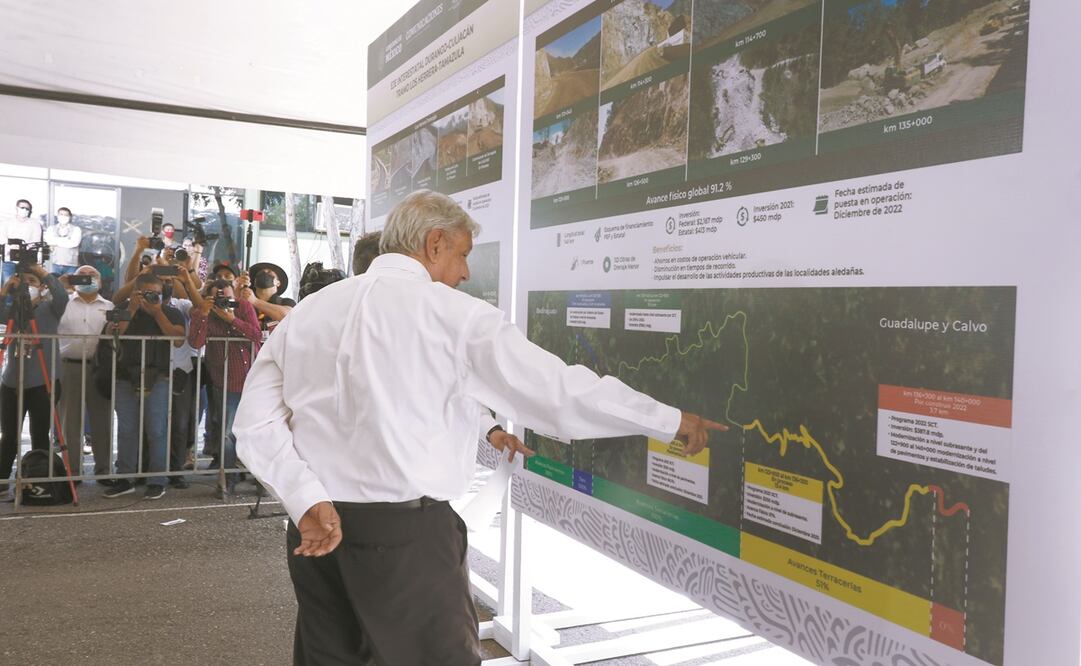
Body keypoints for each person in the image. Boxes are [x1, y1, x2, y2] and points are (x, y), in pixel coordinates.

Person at [234, 190, 725, 665]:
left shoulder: (309, 313)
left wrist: (305, 498)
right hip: (406, 538)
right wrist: (668, 420)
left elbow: (254, 425)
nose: (466, 272)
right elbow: (557, 391)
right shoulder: (455, 317)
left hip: (313, 530)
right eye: (463, 254)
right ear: (434, 243)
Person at [102, 273, 186, 500]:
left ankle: (157, 481)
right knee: (127, 429)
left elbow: (178, 339)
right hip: (125, 376)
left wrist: (157, 312)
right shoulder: (124, 307)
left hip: (158, 376)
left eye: (155, 293)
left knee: (157, 430)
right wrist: (131, 309)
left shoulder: (170, 311)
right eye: (146, 293)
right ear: (135, 292)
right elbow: (112, 333)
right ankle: (125, 478)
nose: (151, 297)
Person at [188, 277, 260, 497]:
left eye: (228, 297)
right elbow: (195, 342)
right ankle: (226, 479)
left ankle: (260, 477)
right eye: (219, 298)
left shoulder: (243, 307)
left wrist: (231, 319)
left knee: (256, 431)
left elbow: (256, 335)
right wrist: (204, 312)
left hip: (252, 379)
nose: (224, 302)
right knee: (228, 433)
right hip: (224, 380)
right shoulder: (202, 312)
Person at [0, 263, 68, 493]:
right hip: (12, 382)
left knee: (40, 433)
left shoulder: (50, 309)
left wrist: (40, 272)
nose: (28, 285)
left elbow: (61, 295)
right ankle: (2, 479)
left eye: (32, 282)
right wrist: (6, 290)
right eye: (24, 281)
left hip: (44, 381)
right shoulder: (13, 309)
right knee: (9, 434)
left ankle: (40, 478)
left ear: (41, 287)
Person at [56, 265, 113, 481]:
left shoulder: (109, 306)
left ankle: (104, 470)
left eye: (92, 276)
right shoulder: (62, 304)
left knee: (102, 419)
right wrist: (59, 286)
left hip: (100, 369)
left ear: (100, 281)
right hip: (69, 366)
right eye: (82, 276)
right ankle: (73, 472)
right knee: (70, 420)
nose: (88, 279)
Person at [238, 262, 294, 333]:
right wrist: (238, 289)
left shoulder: (286, 302)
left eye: (269, 272)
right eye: (260, 273)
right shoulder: (244, 301)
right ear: (254, 283)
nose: (264, 273)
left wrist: (255, 301)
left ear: (278, 283)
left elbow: (287, 316)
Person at [2, 199, 44, 285]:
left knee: (26, 286)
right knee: (7, 285)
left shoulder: (35, 224)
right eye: (22, 207)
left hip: (27, 260)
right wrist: (12, 246)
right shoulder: (6, 223)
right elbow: (2, 238)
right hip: (9, 259)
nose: (24, 210)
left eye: (27, 209)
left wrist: (22, 247)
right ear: (16, 208)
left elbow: (36, 242)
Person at [44, 207, 82, 275]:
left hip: (71, 265)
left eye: (66, 215)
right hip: (55, 264)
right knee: (55, 285)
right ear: (57, 216)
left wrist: (55, 241)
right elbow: (49, 241)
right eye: (61, 214)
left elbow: (74, 243)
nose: (63, 216)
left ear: (70, 217)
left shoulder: (76, 229)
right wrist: (67, 240)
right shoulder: (51, 229)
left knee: (70, 285)